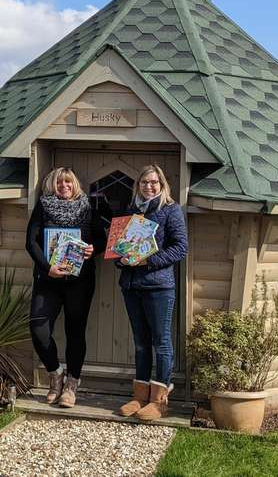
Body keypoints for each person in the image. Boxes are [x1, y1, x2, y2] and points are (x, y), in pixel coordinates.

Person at [26, 167, 106, 408]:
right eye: (59, 182)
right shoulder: (44, 206)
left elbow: (100, 238)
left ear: (75, 184)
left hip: (79, 281)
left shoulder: (87, 207)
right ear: (53, 185)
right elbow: (30, 242)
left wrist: (94, 249)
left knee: (75, 331)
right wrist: (46, 267)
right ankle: (55, 374)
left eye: (68, 182)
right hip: (48, 279)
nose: (64, 186)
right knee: (38, 328)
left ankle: (71, 385)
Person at [116, 164, 188, 421]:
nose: (149, 186)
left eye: (154, 182)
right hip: (132, 286)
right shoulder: (131, 211)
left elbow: (180, 248)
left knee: (161, 342)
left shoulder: (170, 210)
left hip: (158, 286)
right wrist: (121, 260)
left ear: (162, 185)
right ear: (138, 185)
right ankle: (139, 397)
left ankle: (159, 401)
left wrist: (149, 260)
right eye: (145, 182)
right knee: (140, 343)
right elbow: (119, 249)